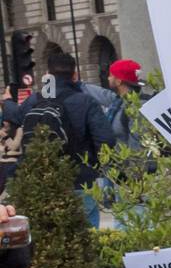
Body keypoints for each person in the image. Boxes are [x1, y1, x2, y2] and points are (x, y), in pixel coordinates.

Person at [14, 53, 116, 227]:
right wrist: (95, 164)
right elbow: (106, 140)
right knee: (86, 234)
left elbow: (16, 120)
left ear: (48, 74)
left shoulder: (34, 101)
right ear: (74, 75)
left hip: (42, 180)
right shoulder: (86, 101)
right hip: (80, 179)